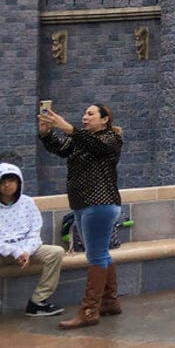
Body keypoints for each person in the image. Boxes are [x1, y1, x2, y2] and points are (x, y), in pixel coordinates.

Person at [37, 103, 123, 330]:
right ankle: (110, 302)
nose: (85, 117)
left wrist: (67, 127)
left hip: (101, 204)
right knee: (100, 253)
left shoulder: (110, 139)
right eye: (84, 113)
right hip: (83, 204)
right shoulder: (81, 138)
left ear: (105, 119)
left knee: (95, 257)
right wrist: (47, 133)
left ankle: (89, 311)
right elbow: (62, 149)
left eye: (91, 114)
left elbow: (95, 146)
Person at [0, 163, 65, 317]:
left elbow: (35, 232)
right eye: (2, 182)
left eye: (11, 180)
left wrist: (25, 252)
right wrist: (15, 252)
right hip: (3, 253)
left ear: (19, 182)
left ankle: (37, 302)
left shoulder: (28, 203)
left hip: (26, 250)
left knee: (56, 252)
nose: (7, 185)